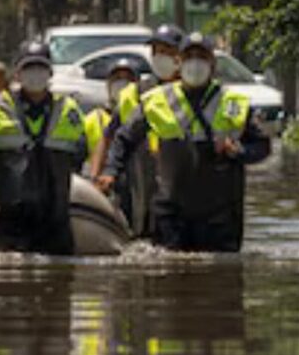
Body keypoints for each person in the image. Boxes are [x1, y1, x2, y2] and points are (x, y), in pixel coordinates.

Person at [96, 32, 271, 252]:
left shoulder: (233, 103)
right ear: (179, 62)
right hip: (172, 212)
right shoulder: (156, 101)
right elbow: (124, 139)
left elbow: (262, 145)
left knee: (221, 278)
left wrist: (238, 151)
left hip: (221, 216)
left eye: (201, 56)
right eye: (189, 56)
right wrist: (110, 171)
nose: (195, 63)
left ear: (212, 63)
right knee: (169, 275)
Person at [0, 40, 87, 255]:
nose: (35, 74)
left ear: (50, 72)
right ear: (17, 73)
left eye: (41, 68)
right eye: (29, 68)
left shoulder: (68, 110)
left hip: (54, 228)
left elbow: (79, 153)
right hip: (8, 228)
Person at [88, 23, 184, 236]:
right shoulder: (137, 93)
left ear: (180, 56)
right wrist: (97, 177)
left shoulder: (194, 93)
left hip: (179, 178)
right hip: (141, 176)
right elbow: (111, 136)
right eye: (157, 52)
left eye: (167, 52)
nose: (161, 57)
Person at [84, 58, 138, 223]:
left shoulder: (142, 108)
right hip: (105, 183)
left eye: (127, 79)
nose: (121, 84)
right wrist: (94, 179)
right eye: (116, 79)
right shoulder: (94, 118)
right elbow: (103, 142)